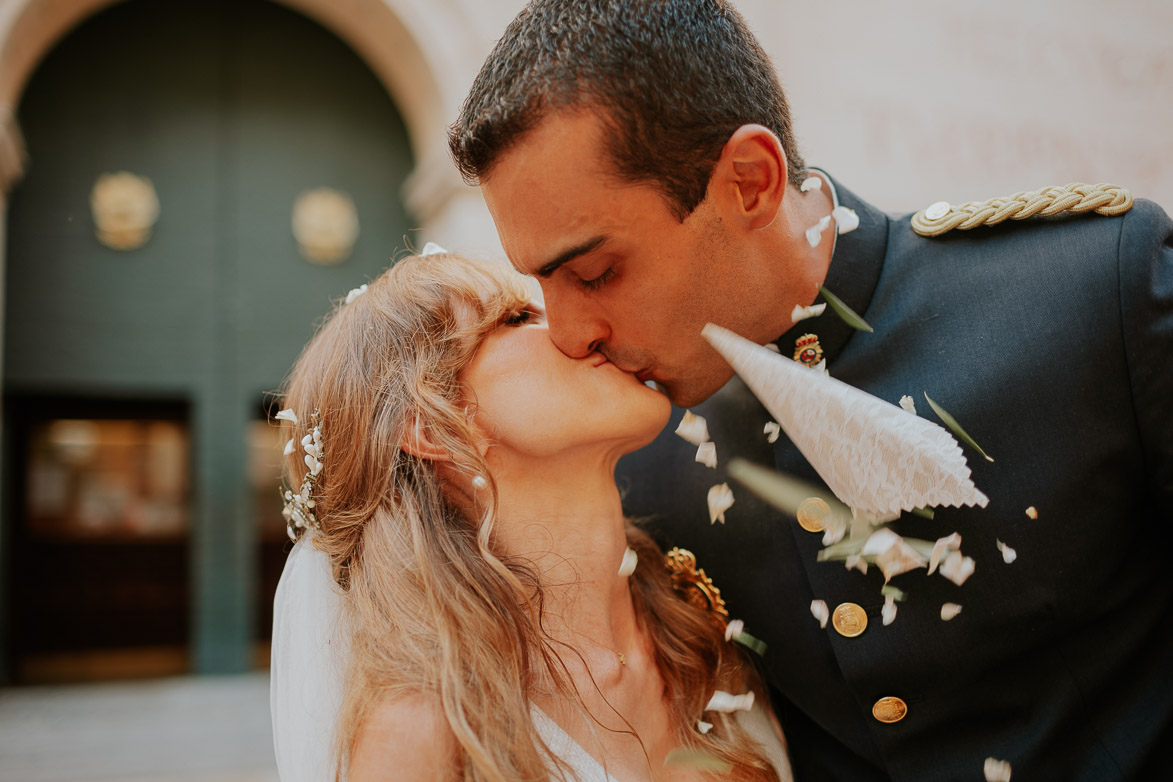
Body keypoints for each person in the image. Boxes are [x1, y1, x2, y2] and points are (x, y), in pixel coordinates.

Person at [447, 1, 1173, 780]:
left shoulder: (1093, 294)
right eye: (544, 283)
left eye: (594, 273)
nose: (568, 333)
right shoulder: (631, 464)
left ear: (750, 182)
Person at [268, 249, 793, 781]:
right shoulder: (421, 734)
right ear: (432, 425)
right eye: (517, 318)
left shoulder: (699, 630)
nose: (575, 328)